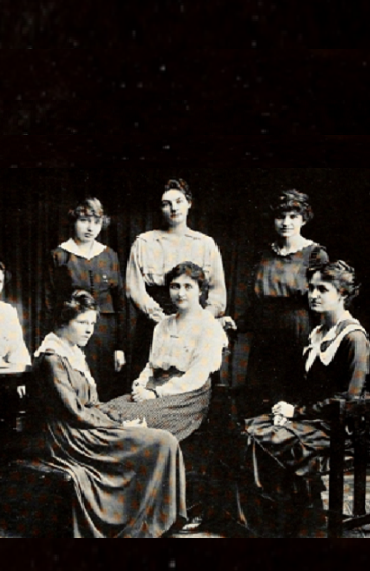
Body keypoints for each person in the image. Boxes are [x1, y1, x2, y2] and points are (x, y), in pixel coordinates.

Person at [33, 290, 187, 538]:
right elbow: (75, 412)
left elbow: (91, 404)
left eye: (92, 323)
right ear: (63, 321)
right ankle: (149, 521)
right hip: (71, 437)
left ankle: (161, 519)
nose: (89, 330)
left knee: (163, 439)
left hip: (86, 427)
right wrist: (119, 426)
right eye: (82, 322)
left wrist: (120, 420)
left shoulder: (72, 353)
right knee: (161, 441)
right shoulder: (53, 359)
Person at [240, 261, 370, 537]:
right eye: (311, 288)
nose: (313, 295)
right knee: (250, 430)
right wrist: (283, 409)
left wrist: (296, 412)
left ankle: (287, 521)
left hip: (335, 427)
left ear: (343, 294)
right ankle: (275, 519)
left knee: (266, 440)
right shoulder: (316, 333)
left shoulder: (354, 338)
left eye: (323, 289)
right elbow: (301, 385)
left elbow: (349, 400)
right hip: (307, 418)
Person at [106, 262, 228, 442]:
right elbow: (151, 365)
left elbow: (196, 377)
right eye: (175, 286)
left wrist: (156, 394)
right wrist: (141, 384)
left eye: (188, 287)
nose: (181, 293)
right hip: (155, 385)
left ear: (200, 290)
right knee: (106, 411)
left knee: (126, 420)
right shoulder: (163, 325)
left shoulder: (209, 327)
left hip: (187, 397)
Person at [234, 189, 329, 414]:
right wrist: (237, 324)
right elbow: (256, 304)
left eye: (293, 216)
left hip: (297, 331)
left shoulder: (315, 254)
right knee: (258, 400)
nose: (286, 222)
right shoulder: (264, 253)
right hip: (263, 336)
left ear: (304, 218)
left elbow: (324, 301)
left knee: (288, 399)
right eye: (280, 216)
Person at [126, 178, 227, 381]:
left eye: (179, 201)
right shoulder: (145, 242)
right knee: (148, 384)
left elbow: (218, 292)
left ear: (189, 203)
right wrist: (160, 318)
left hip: (196, 325)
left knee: (193, 385)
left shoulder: (205, 244)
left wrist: (200, 320)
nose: (173, 208)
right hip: (155, 322)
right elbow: (134, 289)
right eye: (166, 203)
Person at [45, 198, 126, 401]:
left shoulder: (109, 256)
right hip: (71, 335)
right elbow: (49, 302)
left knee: (105, 390)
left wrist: (120, 347)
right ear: (74, 221)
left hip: (105, 335)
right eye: (84, 220)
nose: (90, 228)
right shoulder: (60, 255)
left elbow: (120, 303)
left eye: (96, 222)